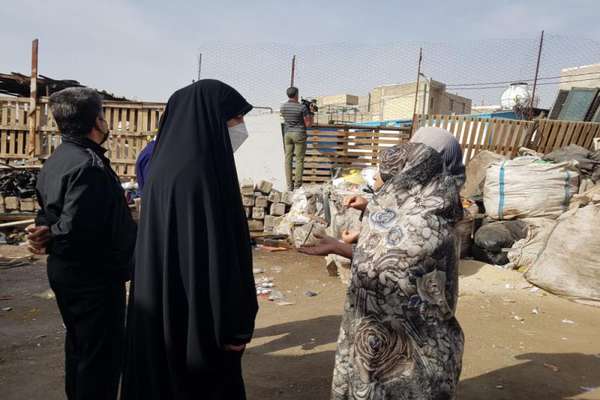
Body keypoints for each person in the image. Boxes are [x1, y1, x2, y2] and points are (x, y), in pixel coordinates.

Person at [121, 80, 258, 400]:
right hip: (201, 319)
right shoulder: (201, 174)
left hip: (164, 306)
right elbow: (218, 251)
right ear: (210, 118)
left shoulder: (164, 167)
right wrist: (236, 324)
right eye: (235, 119)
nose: (240, 127)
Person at [300, 142, 465, 399]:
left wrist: (340, 248)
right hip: (408, 339)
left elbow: (388, 267)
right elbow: (386, 255)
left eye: (384, 174)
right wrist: (344, 243)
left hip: (410, 344)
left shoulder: (424, 225)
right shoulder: (435, 208)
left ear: (407, 175)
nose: (378, 179)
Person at [26, 87, 137, 400]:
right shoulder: (88, 166)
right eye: (102, 113)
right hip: (93, 278)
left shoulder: (57, 160)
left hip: (69, 273)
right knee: (99, 359)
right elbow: (78, 230)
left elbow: (48, 214)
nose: (105, 121)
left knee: (80, 348)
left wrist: (45, 231)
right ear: (96, 120)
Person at [280, 86, 313, 190]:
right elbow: (308, 124)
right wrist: (310, 112)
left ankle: (289, 186)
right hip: (299, 134)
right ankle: (298, 185)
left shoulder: (283, 107)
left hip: (287, 134)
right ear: (297, 95)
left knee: (288, 159)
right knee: (299, 160)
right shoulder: (302, 108)